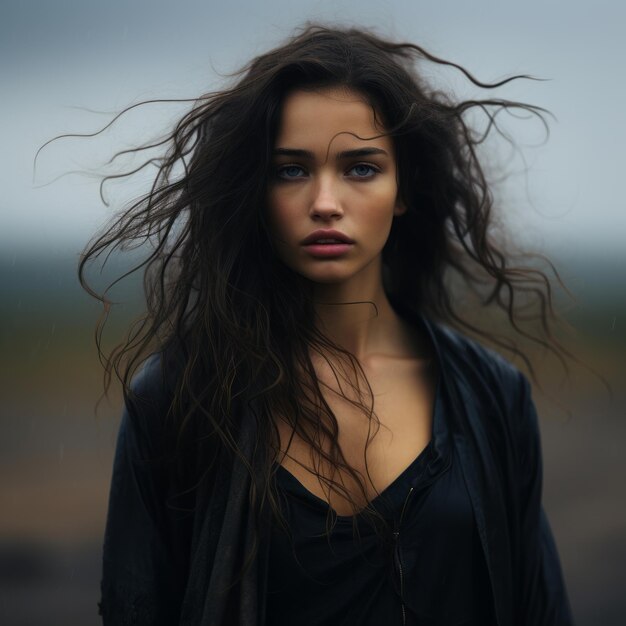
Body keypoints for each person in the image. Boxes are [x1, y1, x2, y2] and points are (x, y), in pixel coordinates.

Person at [84, 24, 574, 625]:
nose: (324, 201)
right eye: (290, 170)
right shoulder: (179, 397)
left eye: (360, 168)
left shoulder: (494, 396)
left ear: (404, 189)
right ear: (255, 191)